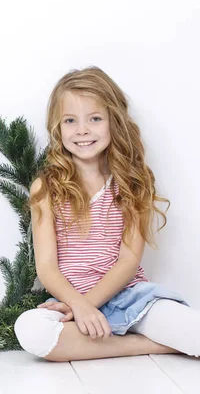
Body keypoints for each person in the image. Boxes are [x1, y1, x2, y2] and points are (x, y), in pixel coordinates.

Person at [14, 67, 200, 361]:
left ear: (114, 122)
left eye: (95, 119)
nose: (82, 130)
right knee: (31, 331)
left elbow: (128, 261)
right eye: (70, 121)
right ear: (57, 127)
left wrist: (89, 304)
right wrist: (79, 306)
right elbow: (47, 267)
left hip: (131, 299)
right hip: (72, 302)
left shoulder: (133, 182)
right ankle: (154, 345)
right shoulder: (46, 187)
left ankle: (136, 332)